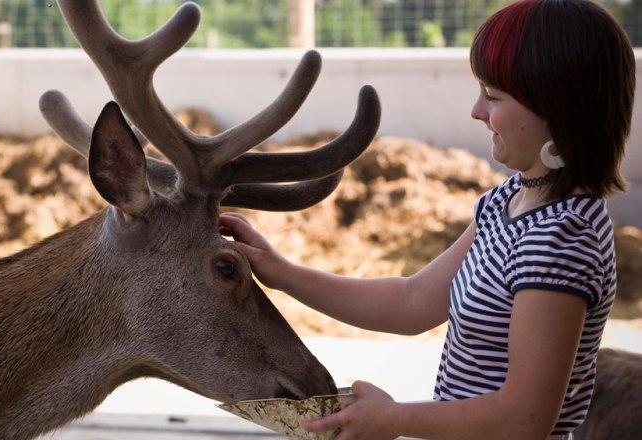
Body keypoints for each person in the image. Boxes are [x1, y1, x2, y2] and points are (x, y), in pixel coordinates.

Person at [218, 0, 636, 438]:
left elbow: (524, 419)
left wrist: (391, 419)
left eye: (493, 97)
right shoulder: (508, 201)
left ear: (558, 107)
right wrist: (282, 273)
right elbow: (412, 302)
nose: (476, 111)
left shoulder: (562, 239)